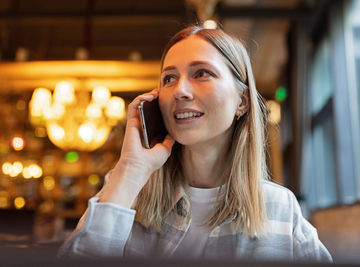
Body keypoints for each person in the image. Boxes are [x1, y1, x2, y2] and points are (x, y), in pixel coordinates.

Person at [58, 25, 332, 262]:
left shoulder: (280, 207)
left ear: (242, 102)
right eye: (169, 78)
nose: (180, 91)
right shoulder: (126, 192)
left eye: (201, 73)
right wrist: (130, 168)